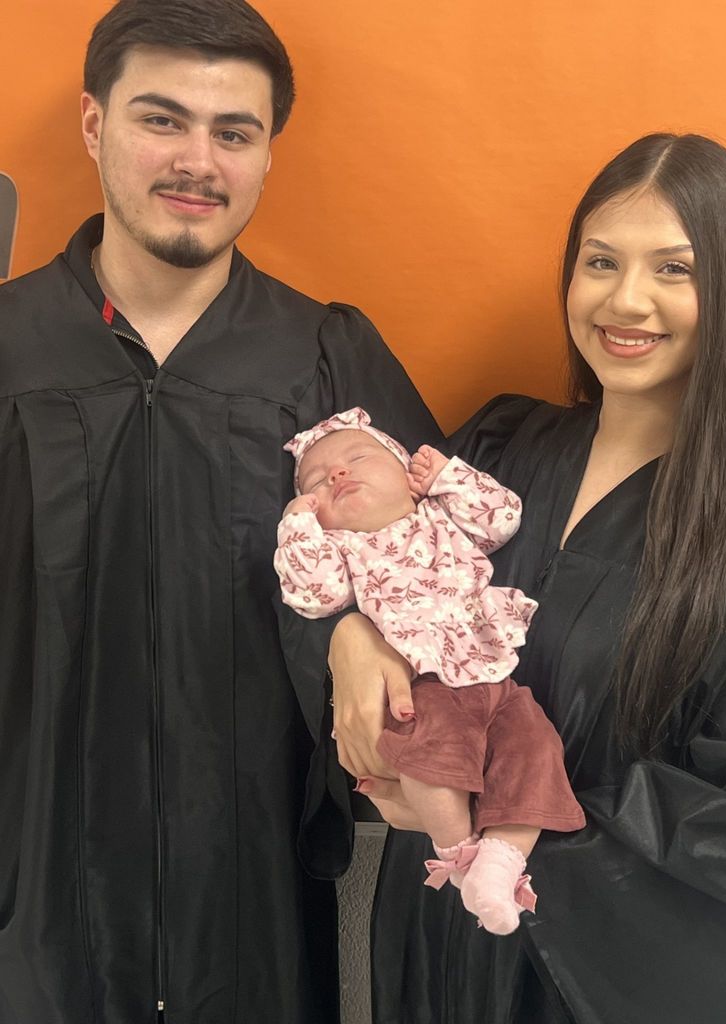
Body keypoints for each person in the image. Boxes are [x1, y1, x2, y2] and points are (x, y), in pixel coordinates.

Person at [0, 2, 440, 1022]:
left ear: (265, 154)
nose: (197, 159)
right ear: (91, 121)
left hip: (254, 894)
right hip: (31, 883)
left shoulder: (325, 359)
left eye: (233, 132)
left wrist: (360, 626)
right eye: (161, 119)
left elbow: (444, 581)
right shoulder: (11, 349)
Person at [328, 134, 726, 1023]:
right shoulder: (500, 448)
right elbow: (380, 570)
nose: (626, 299)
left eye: (675, 270)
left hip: (611, 965)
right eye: (600, 261)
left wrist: (511, 817)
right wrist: (347, 633)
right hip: (440, 933)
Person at [273, 406, 585, 934]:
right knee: (432, 758)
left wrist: (447, 476)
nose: (338, 475)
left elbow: (502, 517)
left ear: (409, 478)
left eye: (358, 457)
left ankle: (501, 863)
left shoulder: (442, 517)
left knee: (536, 747)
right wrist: (299, 526)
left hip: (493, 675)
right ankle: (459, 854)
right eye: (316, 483)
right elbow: (312, 596)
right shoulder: (344, 551)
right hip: (425, 683)